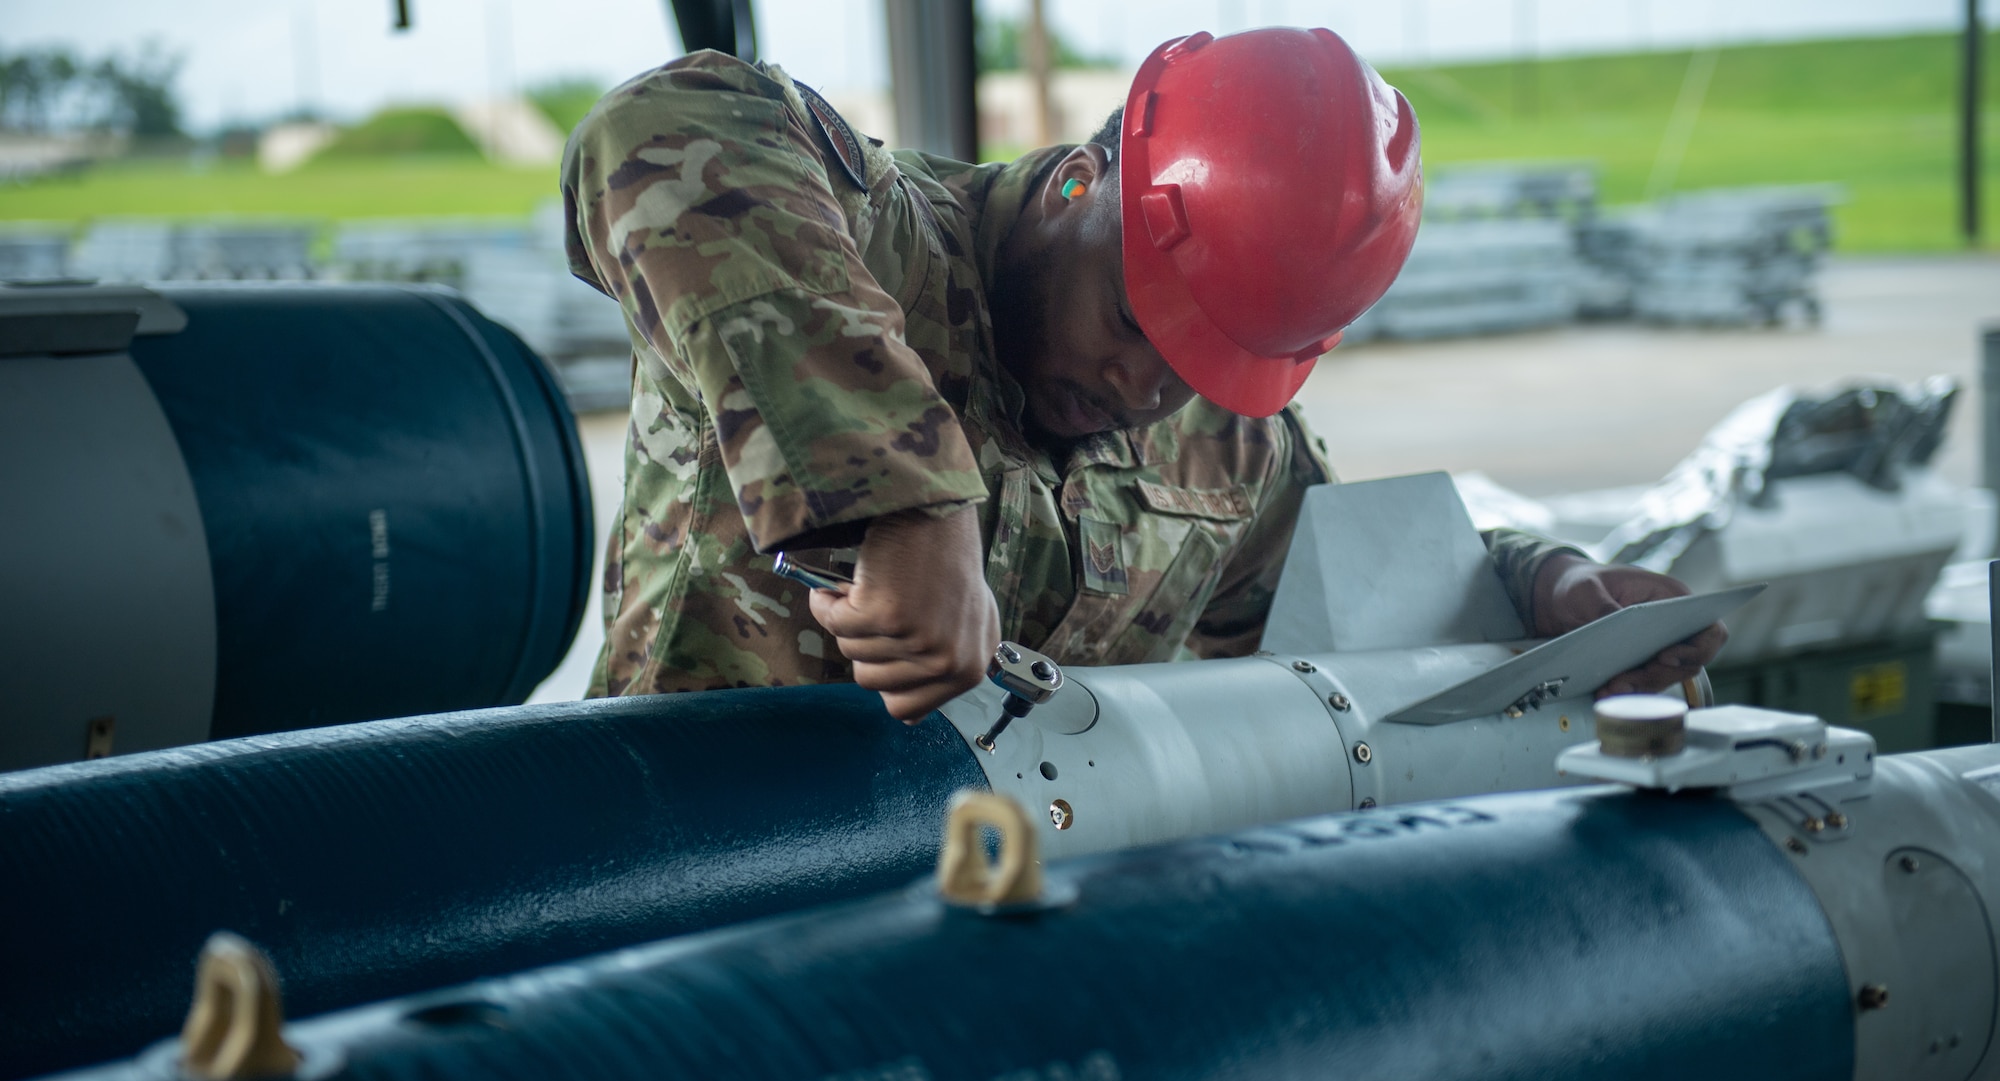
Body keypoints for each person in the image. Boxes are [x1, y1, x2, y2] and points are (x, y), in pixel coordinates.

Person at [560, 26, 1723, 721]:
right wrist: (902, 498)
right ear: (1081, 178)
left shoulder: (1219, 437)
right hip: (681, 875)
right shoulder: (884, 244)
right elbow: (658, 122)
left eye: (1198, 361)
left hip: (975, 919)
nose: (1140, 385)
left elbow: (1352, 573)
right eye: (1130, 314)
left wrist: (1554, 588)